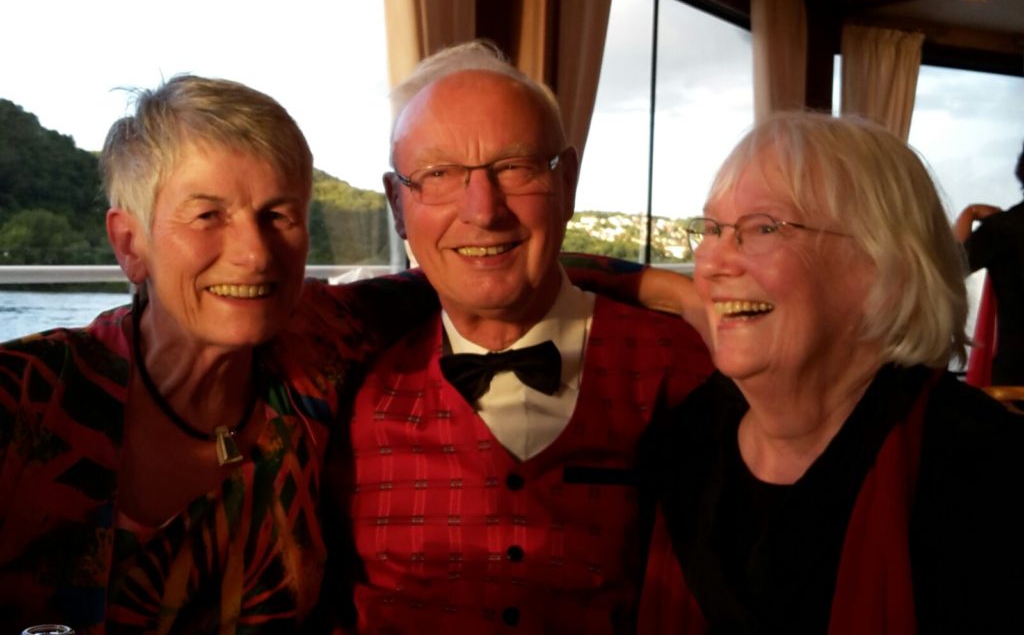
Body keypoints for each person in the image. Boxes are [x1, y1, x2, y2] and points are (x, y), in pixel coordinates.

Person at [0, 75, 442, 633]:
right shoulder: (24, 401)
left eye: (278, 216)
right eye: (208, 215)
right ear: (130, 244)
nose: (255, 254)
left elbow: (458, 275)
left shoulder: (317, 340)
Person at [322, 40, 713, 633]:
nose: (483, 211)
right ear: (397, 206)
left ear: (568, 182)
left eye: (515, 167)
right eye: (439, 174)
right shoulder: (347, 397)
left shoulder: (688, 369)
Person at [641, 111, 1024, 633]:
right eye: (712, 230)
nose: (709, 265)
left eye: (763, 228)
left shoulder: (987, 477)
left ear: (882, 268)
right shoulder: (677, 442)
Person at [953, 139, 1024, 385]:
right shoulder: (1004, 228)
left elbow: (947, 272)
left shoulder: (1005, 228)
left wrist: (969, 213)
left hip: (1017, 378)